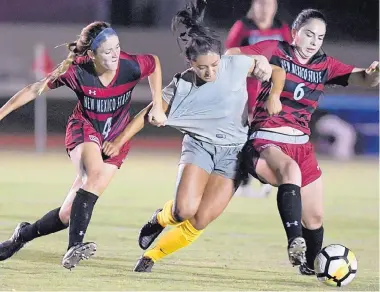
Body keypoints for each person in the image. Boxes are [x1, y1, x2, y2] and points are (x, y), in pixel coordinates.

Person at [103, 0, 285, 273]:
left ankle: (152, 256)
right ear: (190, 63)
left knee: (200, 220)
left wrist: (273, 93)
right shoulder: (183, 84)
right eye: (202, 68)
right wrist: (119, 141)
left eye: (214, 64)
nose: (210, 72)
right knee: (183, 210)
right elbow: (148, 113)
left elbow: (278, 71)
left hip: (234, 153)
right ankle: (160, 218)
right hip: (199, 147)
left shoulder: (236, 65)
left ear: (221, 58)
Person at [0, 21, 167, 270]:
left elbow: (153, 63)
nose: (115, 54)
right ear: (91, 54)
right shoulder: (77, 71)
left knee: (68, 215)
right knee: (94, 173)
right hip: (84, 129)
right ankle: (73, 248)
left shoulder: (130, 66)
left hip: (117, 139)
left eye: (117, 47)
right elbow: (34, 89)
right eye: (108, 50)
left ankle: (22, 236)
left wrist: (156, 103)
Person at [226, 9, 379, 275]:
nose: (313, 42)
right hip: (267, 136)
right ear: (295, 33)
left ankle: (311, 266)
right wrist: (257, 63)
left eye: (319, 37)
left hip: (302, 144)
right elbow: (230, 56)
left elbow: (365, 79)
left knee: (316, 217)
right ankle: (293, 240)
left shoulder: (324, 65)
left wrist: (375, 74)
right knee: (290, 172)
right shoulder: (275, 48)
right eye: (308, 34)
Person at [226, 0, 292, 198]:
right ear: (254, 5)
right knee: (245, 139)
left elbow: (291, 58)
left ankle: (270, 178)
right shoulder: (243, 27)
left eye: (270, 4)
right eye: (262, 3)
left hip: (274, 92)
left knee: (271, 136)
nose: (266, 8)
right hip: (246, 92)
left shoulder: (282, 28)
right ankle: (245, 181)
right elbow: (228, 57)